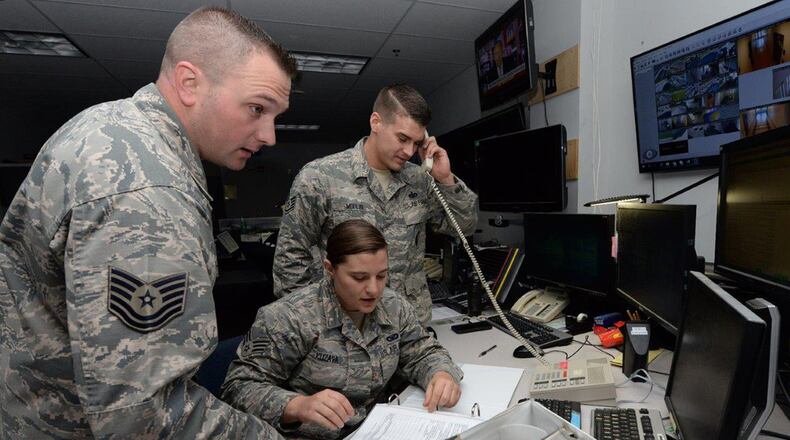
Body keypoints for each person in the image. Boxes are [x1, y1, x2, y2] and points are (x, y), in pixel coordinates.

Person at [0, 6, 296, 438]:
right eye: (256, 108)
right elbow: (140, 416)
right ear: (190, 83)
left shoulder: (109, 127)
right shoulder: (149, 189)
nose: (269, 135)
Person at [222, 219, 463, 439]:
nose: (373, 289)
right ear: (330, 268)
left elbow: (422, 352)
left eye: (381, 276)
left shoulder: (394, 306)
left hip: (376, 430)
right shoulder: (288, 317)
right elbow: (237, 388)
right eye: (359, 278)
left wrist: (441, 374)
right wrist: (297, 405)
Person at [272, 84, 478, 325]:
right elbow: (289, 260)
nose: (409, 151)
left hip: (408, 325)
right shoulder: (319, 177)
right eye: (402, 139)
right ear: (376, 122)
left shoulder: (420, 179)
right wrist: (309, 325)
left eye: (416, 142)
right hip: (345, 326)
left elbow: (464, 228)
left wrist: (445, 179)